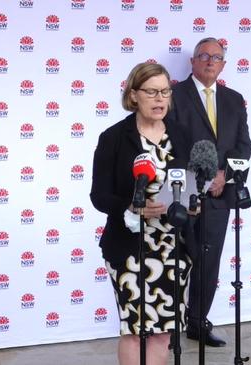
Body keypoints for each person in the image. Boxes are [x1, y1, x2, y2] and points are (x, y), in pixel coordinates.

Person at [90, 63, 192, 365]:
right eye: (151, 92)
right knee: (136, 330)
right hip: (130, 247)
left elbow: (190, 183)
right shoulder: (114, 138)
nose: (160, 99)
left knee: (163, 332)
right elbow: (99, 196)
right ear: (134, 95)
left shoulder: (182, 135)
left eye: (165, 92)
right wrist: (132, 206)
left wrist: (193, 203)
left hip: (173, 247)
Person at [164, 37, 251, 347]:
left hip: (218, 196)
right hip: (180, 195)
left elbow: (243, 146)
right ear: (193, 62)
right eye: (203, 55)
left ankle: (197, 323)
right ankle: (169, 328)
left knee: (208, 261)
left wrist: (223, 174)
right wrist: (200, 176)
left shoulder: (233, 99)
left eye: (216, 57)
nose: (210, 61)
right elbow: (168, 144)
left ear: (223, 64)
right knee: (173, 261)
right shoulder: (172, 96)